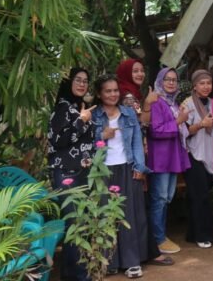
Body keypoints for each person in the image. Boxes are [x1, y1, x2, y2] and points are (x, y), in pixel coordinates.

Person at [115, 59, 174, 268]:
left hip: (137, 153)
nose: (139, 74)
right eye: (135, 70)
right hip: (131, 156)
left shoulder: (133, 93)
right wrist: (148, 105)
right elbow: (138, 125)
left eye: (141, 70)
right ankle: (142, 252)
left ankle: (145, 250)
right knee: (138, 204)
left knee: (142, 202)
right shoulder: (128, 96)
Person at [91, 75, 149, 279]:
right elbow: (86, 145)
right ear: (99, 94)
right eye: (108, 91)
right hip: (103, 170)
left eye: (116, 90)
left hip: (127, 166)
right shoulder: (94, 115)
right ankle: (111, 261)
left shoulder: (128, 113)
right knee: (106, 215)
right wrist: (101, 136)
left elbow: (137, 142)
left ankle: (132, 262)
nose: (113, 94)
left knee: (129, 215)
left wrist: (140, 167)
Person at [47, 67, 94, 281]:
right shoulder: (62, 108)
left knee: (78, 224)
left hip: (81, 172)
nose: (82, 84)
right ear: (69, 82)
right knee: (74, 224)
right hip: (66, 173)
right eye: (78, 80)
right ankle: (79, 276)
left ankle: (72, 275)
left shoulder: (78, 106)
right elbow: (58, 141)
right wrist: (81, 120)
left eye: (85, 81)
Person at [146, 67, 190, 255]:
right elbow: (155, 130)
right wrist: (179, 121)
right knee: (160, 198)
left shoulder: (172, 103)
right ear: (159, 81)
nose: (171, 83)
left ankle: (160, 235)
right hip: (160, 158)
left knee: (166, 197)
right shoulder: (156, 102)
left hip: (171, 156)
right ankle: (158, 239)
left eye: (174, 79)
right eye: (167, 79)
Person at [182, 69, 213, 249]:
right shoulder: (187, 104)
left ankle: (193, 233)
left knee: (203, 195)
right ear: (194, 86)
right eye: (202, 83)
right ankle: (202, 235)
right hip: (193, 154)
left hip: (209, 153)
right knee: (199, 196)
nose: (206, 87)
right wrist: (200, 124)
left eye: (209, 83)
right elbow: (183, 131)